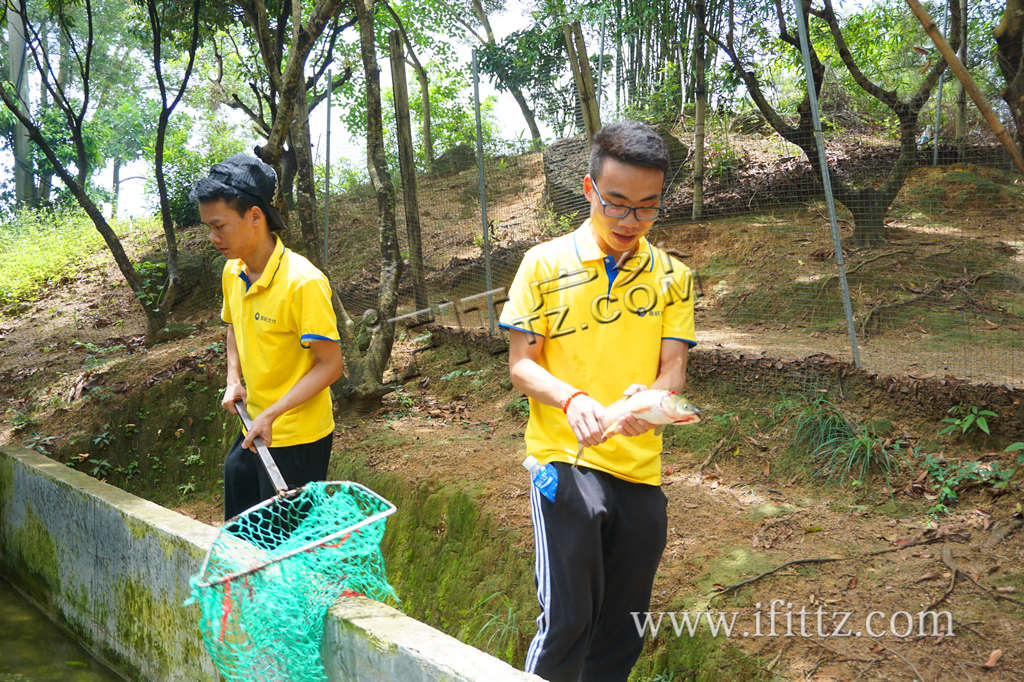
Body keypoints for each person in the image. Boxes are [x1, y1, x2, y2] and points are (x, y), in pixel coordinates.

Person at [499, 121, 696, 681]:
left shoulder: (673, 277)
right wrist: (571, 399)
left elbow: (673, 371)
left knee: (623, 627)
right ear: (589, 190)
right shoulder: (542, 263)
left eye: (646, 207)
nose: (630, 221)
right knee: (568, 620)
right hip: (566, 457)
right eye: (616, 204)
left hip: (638, 469)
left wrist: (652, 401)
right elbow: (522, 364)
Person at [190, 154, 344, 520]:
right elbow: (234, 325)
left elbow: (331, 366)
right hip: (255, 427)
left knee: (284, 553)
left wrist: (272, 413)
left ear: (255, 216)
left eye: (219, 226)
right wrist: (233, 379)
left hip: (298, 439)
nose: (212, 238)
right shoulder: (233, 272)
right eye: (207, 228)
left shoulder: (303, 282)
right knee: (242, 535)